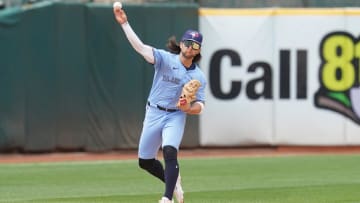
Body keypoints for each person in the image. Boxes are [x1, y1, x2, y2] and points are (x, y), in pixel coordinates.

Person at [113, 5, 207, 203]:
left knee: (170, 150)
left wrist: (188, 108)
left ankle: (167, 198)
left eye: (195, 45)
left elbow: (201, 105)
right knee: (145, 161)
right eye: (188, 42)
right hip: (154, 112)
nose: (190, 46)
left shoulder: (198, 76)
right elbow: (140, 47)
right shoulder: (164, 59)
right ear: (181, 44)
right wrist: (125, 24)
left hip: (176, 115)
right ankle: (173, 182)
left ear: (198, 50)